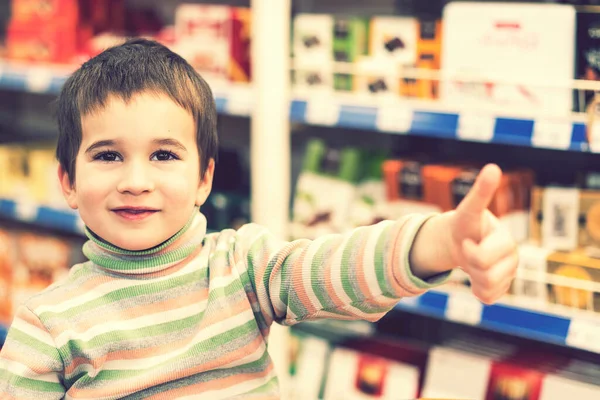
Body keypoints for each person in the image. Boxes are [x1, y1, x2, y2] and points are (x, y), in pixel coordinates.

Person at [0, 39, 518, 399]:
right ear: (66, 180)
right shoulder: (46, 326)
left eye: (164, 155)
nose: (137, 180)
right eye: (108, 155)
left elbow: (331, 268)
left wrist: (439, 241)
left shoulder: (243, 267)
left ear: (204, 179)